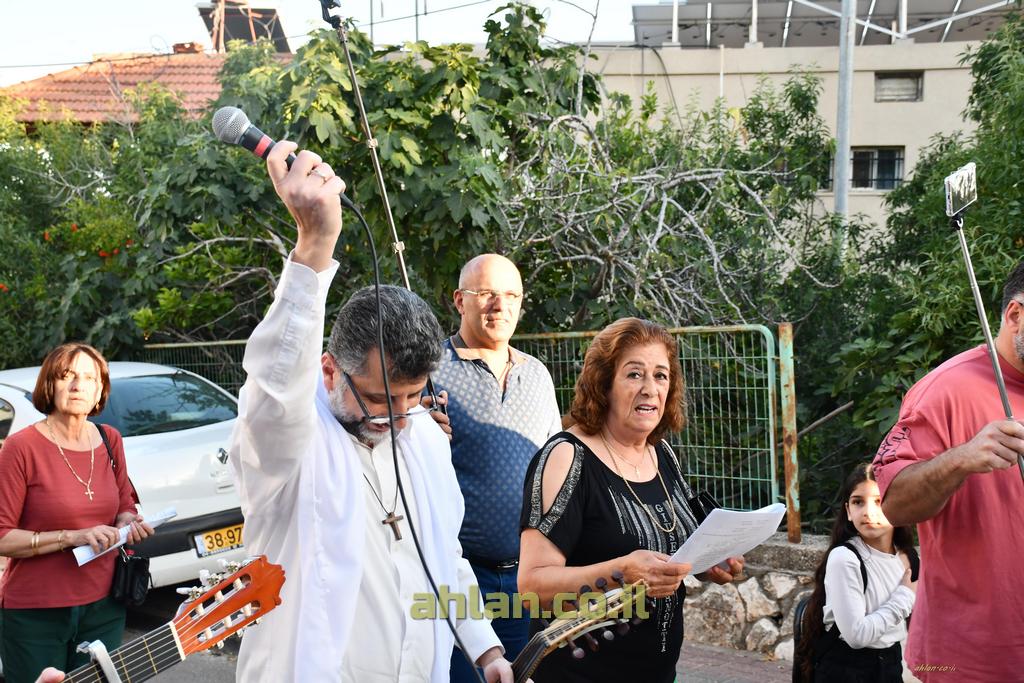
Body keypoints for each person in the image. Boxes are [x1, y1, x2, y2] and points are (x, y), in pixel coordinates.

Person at [228, 142, 516, 682]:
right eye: (380, 399)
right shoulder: (289, 445)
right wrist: (315, 245)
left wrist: (487, 651)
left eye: (413, 396)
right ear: (330, 370)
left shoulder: (424, 439)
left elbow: (444, 558)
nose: (399, 418)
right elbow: (274, 385)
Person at [517, 317, 743, 682]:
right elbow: (532, 586)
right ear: (604, 383)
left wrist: (705, 563)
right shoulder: (566, 457)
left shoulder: (662, 453)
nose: (650, 389)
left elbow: (665, 548)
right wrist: (623, 573)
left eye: (660, 376)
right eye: (634, 374)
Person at [872, 260, 1024, 681]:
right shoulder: (944, 389)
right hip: (969, 659)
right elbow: (894, 504)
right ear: (1015, 315)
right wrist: (962, 458)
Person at [431, 253, 562, 681]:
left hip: (525, 580)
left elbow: (558, 471)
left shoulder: (537, 375)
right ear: (459, 300)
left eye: (511, 295)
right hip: (458, 578)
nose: (499, 305)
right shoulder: (429, 373)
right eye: (486, 293)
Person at [0, 343, 153, 683]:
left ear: (100, 389)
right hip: (35, 613)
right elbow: (2, 536)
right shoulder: (20, 448)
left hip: (105, 606)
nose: (77, 386)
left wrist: (128, 520)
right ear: (49, 385)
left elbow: (125, 505)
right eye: (66, 376)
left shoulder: (110, 439)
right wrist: (72, 537)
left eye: (89, 378)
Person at [794, 463, 917, 682]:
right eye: (858, 502)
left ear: (898, 505)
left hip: (891, 663)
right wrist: (905, 596)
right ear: (848, 511)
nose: (868, 512)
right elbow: (857, 636)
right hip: (845, 669)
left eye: (879, 501)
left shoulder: (909, 558)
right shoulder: (845, 557)